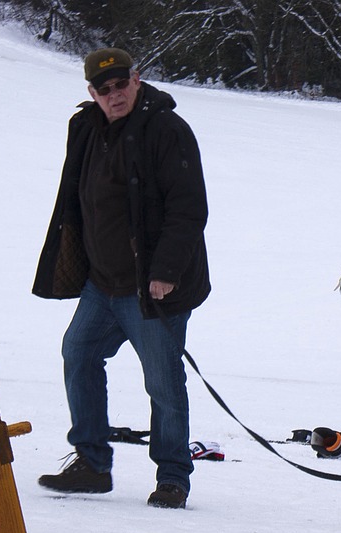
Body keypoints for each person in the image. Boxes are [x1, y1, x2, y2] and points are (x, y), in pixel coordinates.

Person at [33, 48, 211, 509]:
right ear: (92, 93)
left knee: (163, 384)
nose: (115, 94)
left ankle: (172, 477)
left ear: (137, 79)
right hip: (102, 281)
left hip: (151, 287)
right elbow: (74, 198)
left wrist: (165, 272)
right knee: (79, 352)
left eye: (121, 84)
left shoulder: (168, 131)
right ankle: (92, 464)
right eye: (103, 89)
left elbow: (188, 209)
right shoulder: (87, 129)